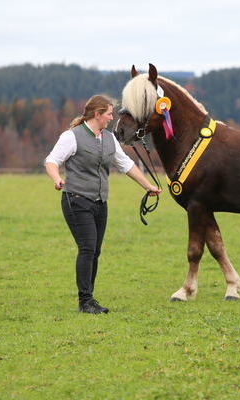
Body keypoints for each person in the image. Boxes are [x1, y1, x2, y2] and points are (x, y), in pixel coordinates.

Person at [44, 95, 161, 315]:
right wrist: (56, 178)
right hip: (76, 200)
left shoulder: (109, 139)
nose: (111, 117)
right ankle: (85, 301)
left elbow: (125, 164)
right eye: (108, 113)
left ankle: (89, 299)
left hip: (100, 202)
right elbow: (52, 160)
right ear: (97, 114)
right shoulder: (72, 137)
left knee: (95, 251)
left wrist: (148, 186)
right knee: (87, 248)